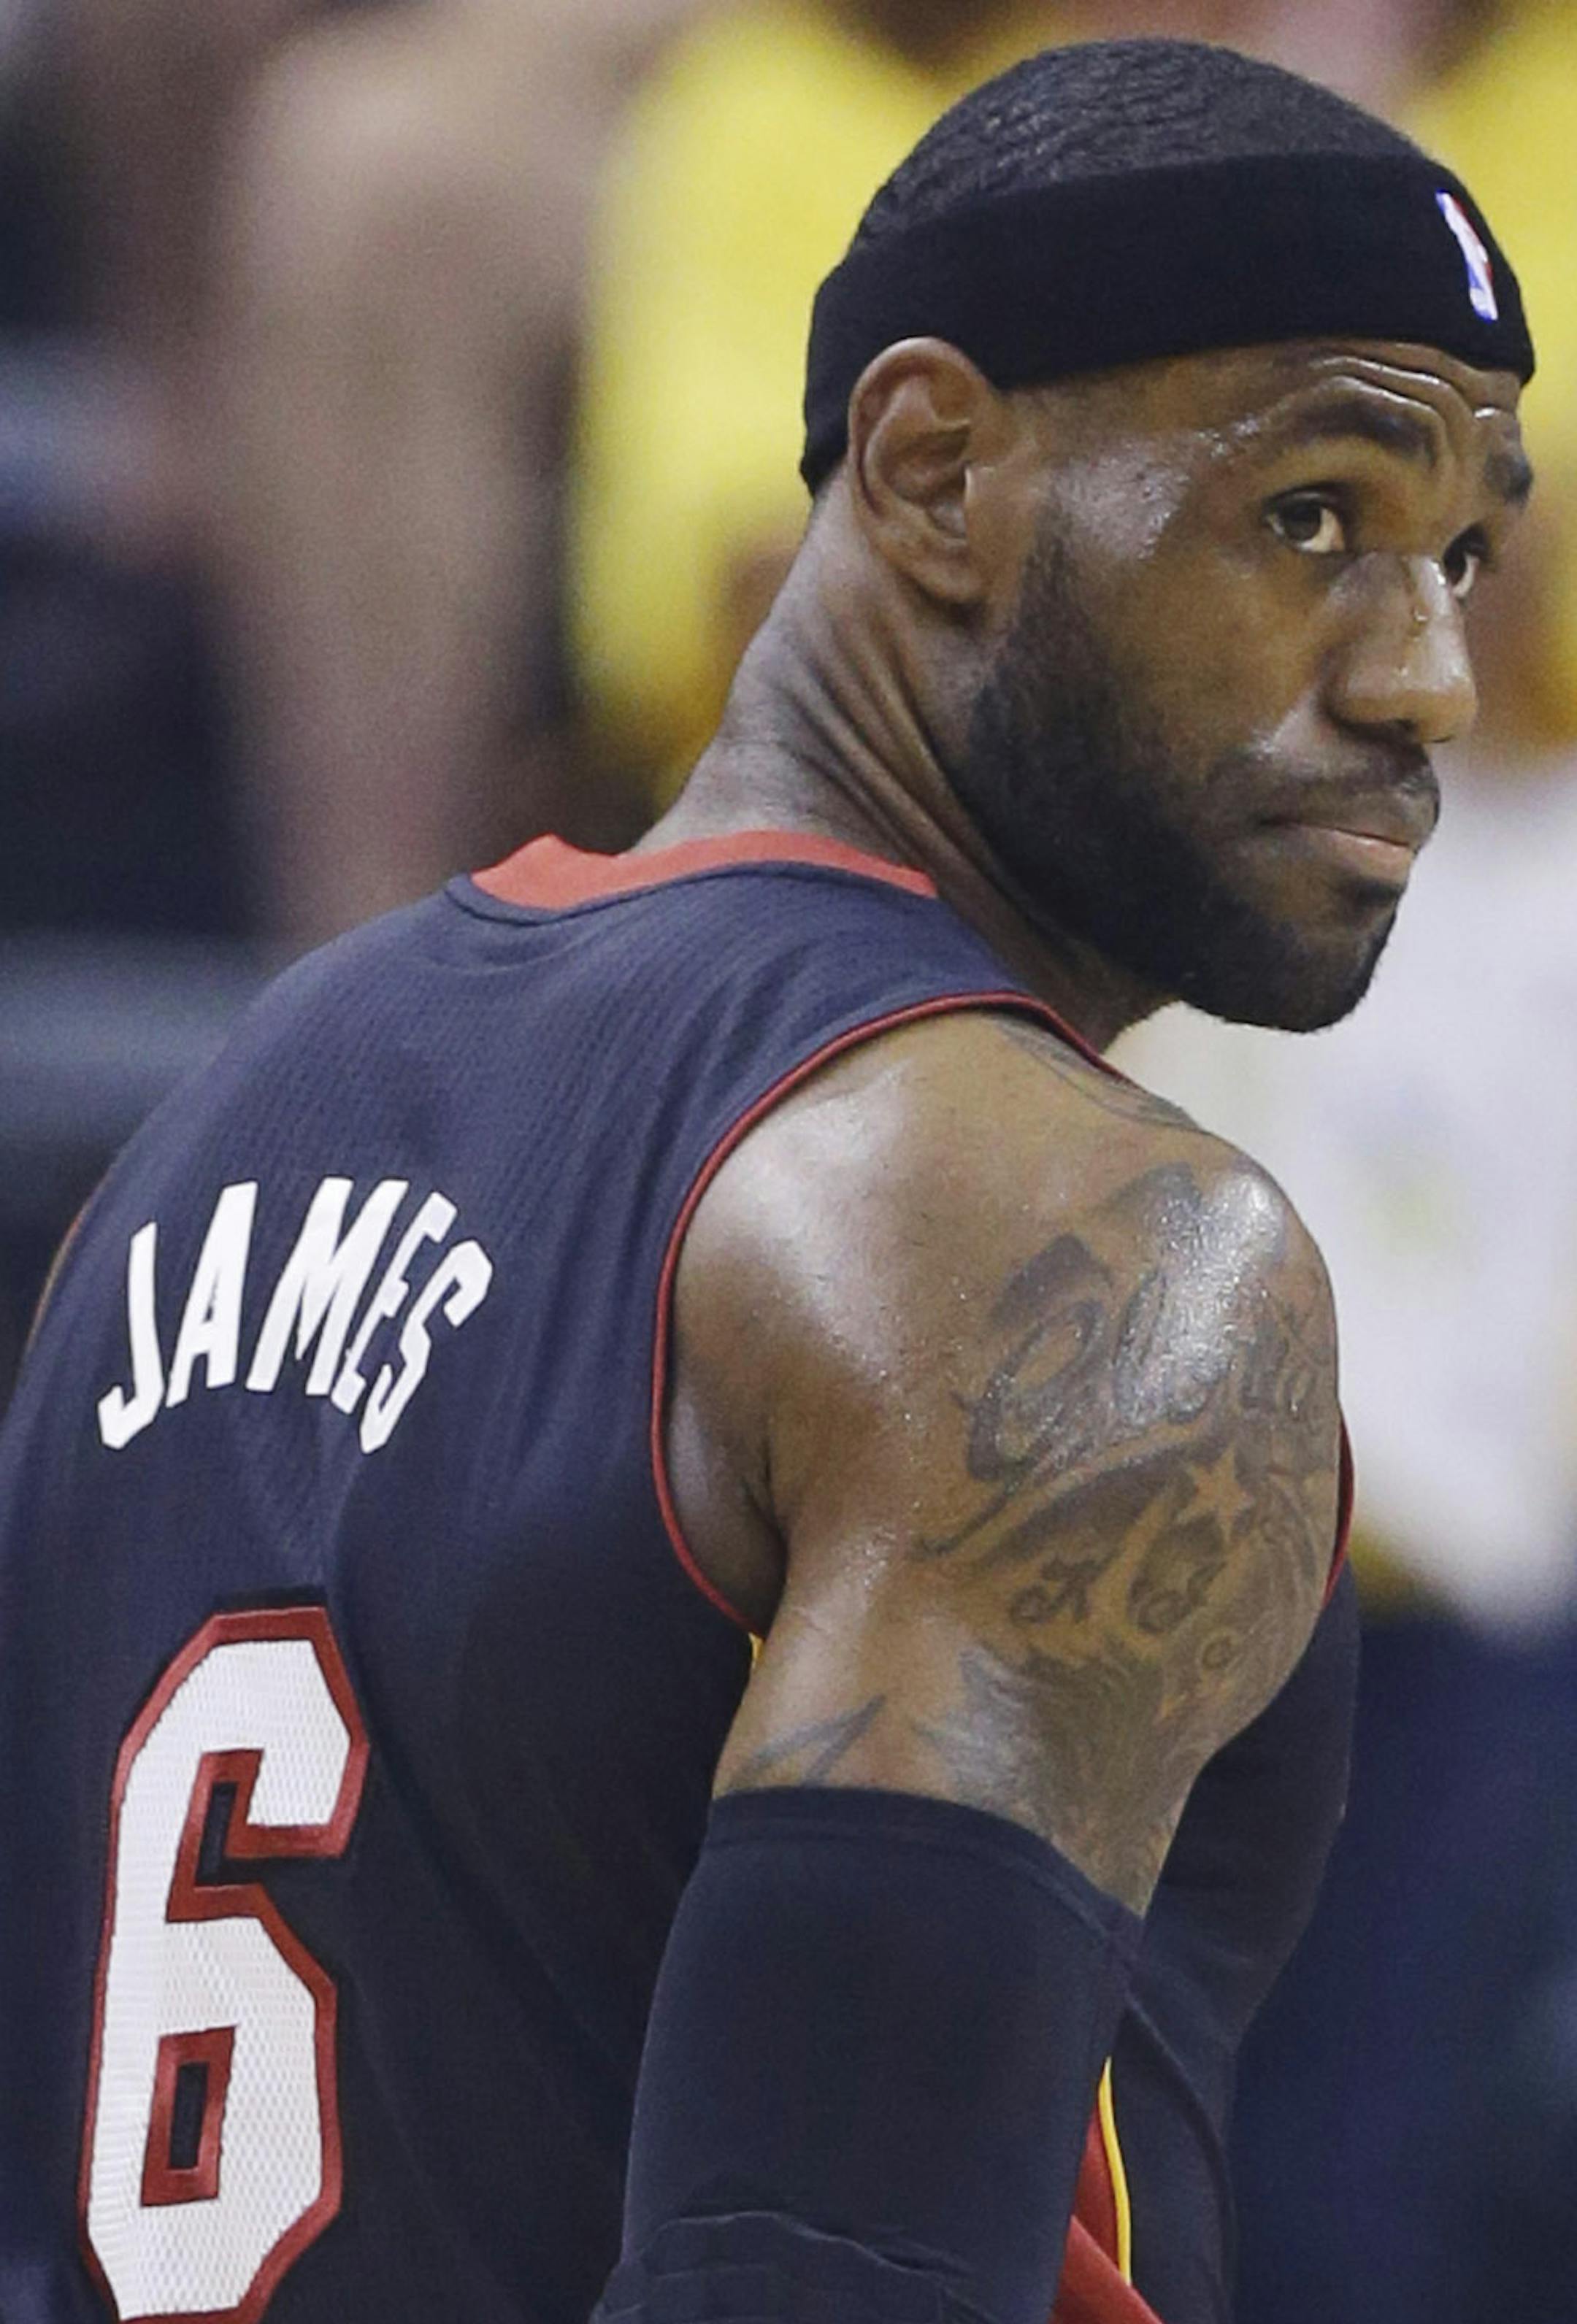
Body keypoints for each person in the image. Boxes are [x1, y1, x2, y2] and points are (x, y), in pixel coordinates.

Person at [0, 38, 1534, 2324]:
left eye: (1467, 551)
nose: (1428, 677)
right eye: (1311, 516)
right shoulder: (1061, 1242)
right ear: (931, 471)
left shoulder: (213, 1136)